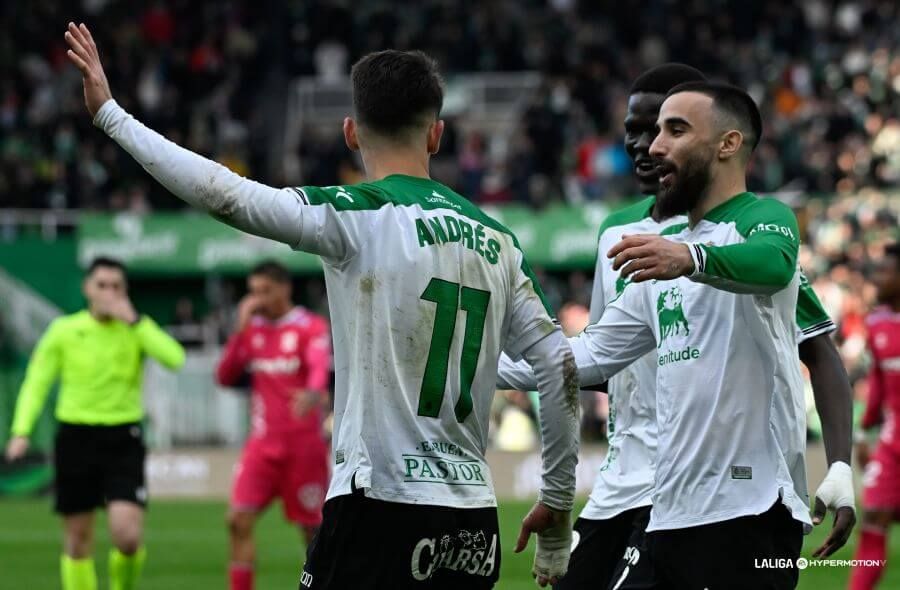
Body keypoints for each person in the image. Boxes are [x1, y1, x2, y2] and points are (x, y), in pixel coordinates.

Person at [63, 22, 579, 589]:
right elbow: (558, 367)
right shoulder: (500, 240)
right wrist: (555, 506)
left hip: (380, 502)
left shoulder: (356, 215)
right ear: (436, 135)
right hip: (474, 520)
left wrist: (111, 114)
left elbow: (224, 195)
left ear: (351, 133)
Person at [499, 82, 852, 589]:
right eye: (655, 131)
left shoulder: (761, 221)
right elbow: (586, 356)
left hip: (748, 513)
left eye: (675, 130)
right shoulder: (663, 252)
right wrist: (477, 364)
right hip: (669, 512)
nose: (655, 146)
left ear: (728, 144)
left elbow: (774, 267)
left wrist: (690, 259)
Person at [4, 257, 185, 590]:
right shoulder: (64, 330)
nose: (109, 293)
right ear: (88, 289)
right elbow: (37, 381)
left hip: (123, 436)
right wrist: (21, 431)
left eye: (116, 286)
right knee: (77, 539)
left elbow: (175, 358)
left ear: (125, 291)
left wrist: (134, 320)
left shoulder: (136, 328)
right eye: (102, 285)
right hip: (76, 436)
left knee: (127, 536)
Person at [216, 261, 332, 590]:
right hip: (262, 447)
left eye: (265, 291)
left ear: (284, 289)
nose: (257, 299)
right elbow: (224, 376)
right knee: (237, 521)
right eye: (253, 292)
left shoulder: (309, 326)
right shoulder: (251, 330)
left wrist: (312, 393)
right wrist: (238, 332)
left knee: (313, 534)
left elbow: (317, 369)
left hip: (303, 448)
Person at [849, 243, 900, 589]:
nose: (877, 278)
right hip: (891, 445)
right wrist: (863, 435)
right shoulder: (877, 322)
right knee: (872, 520)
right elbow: (878, 388)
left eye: (885, 271)